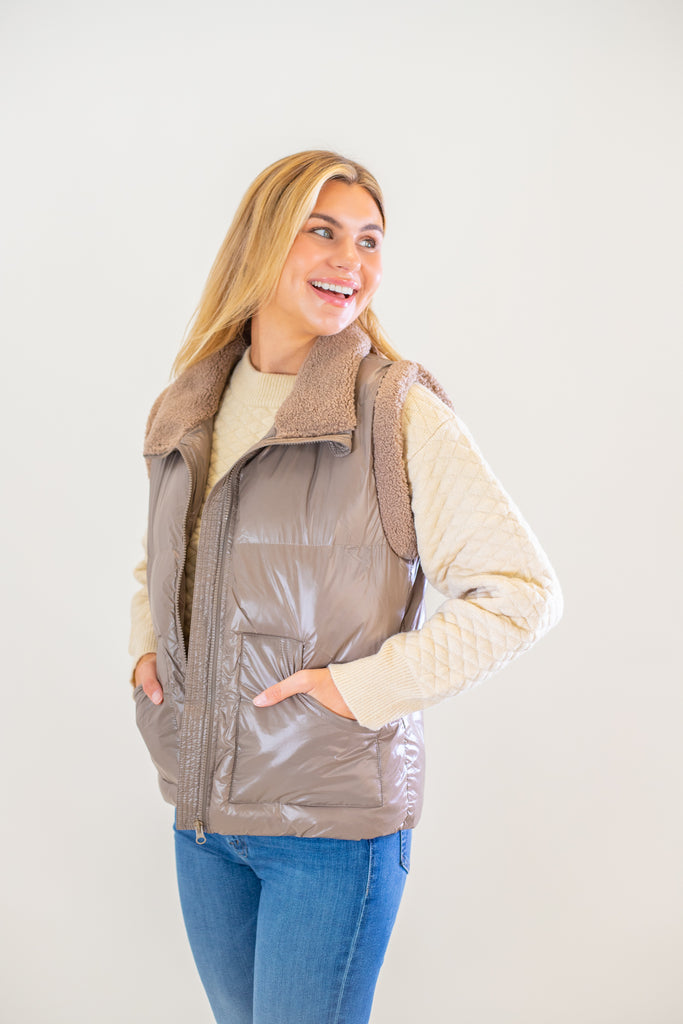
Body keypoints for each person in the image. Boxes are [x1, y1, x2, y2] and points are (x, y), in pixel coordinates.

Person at [129, 149, 563, 1024]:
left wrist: (359, 691)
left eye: (368, 240)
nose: (350, 261)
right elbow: (162, 558)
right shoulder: (189, 402)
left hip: (330, 832)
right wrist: (147, 645)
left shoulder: (394, 410)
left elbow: (521, 590)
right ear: (259, 244)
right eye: (321, 232)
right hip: (202, 819)